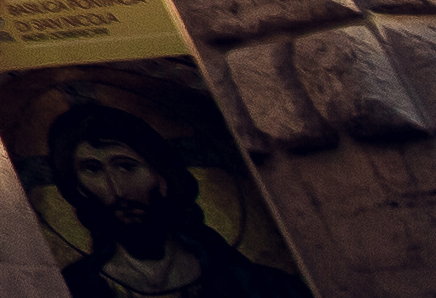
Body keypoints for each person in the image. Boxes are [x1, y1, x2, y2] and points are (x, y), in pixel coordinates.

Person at [38, 97, 303, 298]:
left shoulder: (257, 285)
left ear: (162, 176)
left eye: (126, 166)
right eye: (92, 170)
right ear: (79, 188)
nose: (116, 189)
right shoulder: (72, 288)